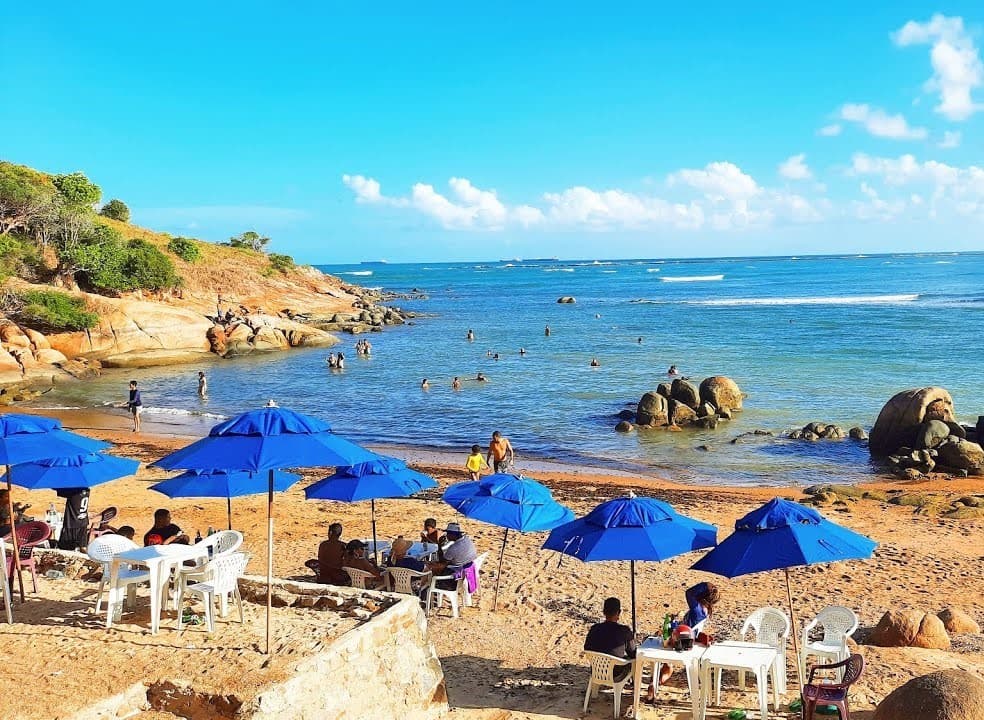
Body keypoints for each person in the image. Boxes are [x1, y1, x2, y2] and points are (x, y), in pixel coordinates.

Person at [584, 597, 637, 683]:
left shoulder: (594, 629)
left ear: (604, 612)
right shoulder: (624, 631)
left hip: (596, 671)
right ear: (618, 612)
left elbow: (587, 648)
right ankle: (634, 686)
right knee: (632, 662)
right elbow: (633, 654)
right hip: (615, 675)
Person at [56, 487, 90, 551]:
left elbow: (60, 490)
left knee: (66, 548)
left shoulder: (73, 491)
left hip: (72, 523)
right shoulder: (87, 490)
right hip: (83, 521)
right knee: (82, 546)